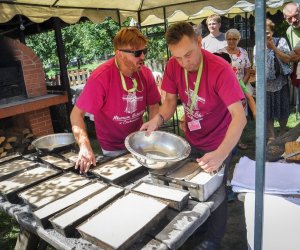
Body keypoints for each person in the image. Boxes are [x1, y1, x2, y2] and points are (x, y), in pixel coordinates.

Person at [141, 22, 246, 250]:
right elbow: (169, 102)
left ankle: (212, 242)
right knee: (190, 190)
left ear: (199, 43)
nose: (184, 62)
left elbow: (240, 117)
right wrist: (157, 120)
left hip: (220, 143)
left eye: (188, 54)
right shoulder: (173, 65)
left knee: (215, 193)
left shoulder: (220, 68)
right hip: (192, 140)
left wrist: (220, 154)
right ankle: (194, 235)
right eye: (177, 57)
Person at [70, 27, 161, 174]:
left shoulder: (145, 73)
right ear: (119, 54)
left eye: (145, 51)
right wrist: (85, 146)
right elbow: (76, 115)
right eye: (137, 53)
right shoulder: (101, 77)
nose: (143, 56)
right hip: (112, 147)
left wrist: (151, 135)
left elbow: (153, 106)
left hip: (139, 142)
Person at [254, 19, 291, 144]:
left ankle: (282, 133)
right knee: (268, 111)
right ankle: (272, 136)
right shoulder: (256, 47)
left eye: (267, 32)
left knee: (283, 109)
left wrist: (273, 47)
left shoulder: (281, 42)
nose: (265, 35)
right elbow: (256, 66)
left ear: (272, 31)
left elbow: (287, 59)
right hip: (265, 85)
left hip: (280, 82)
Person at [217, 29, 253, 150]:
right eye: (229, 39)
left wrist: (241, 85)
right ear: (226, 39)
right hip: (225, 89)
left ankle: (239, 140)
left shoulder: (243, 52)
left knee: (241, 114)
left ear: (238, 39)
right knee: (227, 115)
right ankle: (227, 141)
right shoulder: (220, 53)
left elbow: (248, 70)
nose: (231, 41)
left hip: (241, 87)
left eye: (234, 39)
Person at [283, 2, 300, 112]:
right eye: (289, 18)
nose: (294, 20)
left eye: (296, 15)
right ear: (285, 19)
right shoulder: (289, 31)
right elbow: (294, 55)